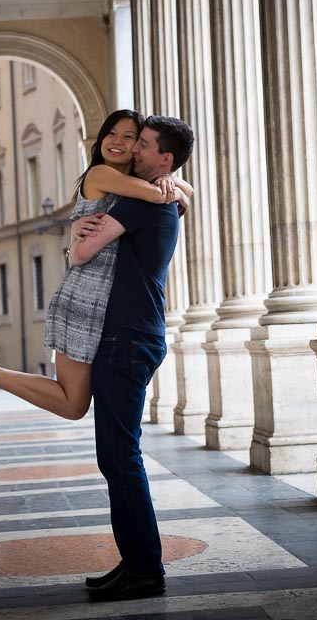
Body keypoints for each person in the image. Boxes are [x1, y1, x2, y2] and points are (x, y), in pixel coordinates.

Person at [0, 109, 192, 424]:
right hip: (82, 297)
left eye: (130, 137)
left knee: (74, 404)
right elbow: (155, 194)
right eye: (112, 134)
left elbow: (162, 189)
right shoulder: (101, 174)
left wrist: (170, 180)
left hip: (100, 304)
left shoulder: (125, 183)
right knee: (72, 404)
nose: (120, 143)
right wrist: (174, 187)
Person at [68, 115, 194, 602]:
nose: (134, 150)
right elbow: (181, 194)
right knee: (118, 458)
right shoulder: (154, 197)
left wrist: (82, 232)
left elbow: (82, 254)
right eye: (132, 141)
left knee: (120, 457)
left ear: (164, 158)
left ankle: (144, 569)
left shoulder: (141, 204)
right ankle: (137, 563)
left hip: (126, 338)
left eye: (142, 144)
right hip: (130, 336)